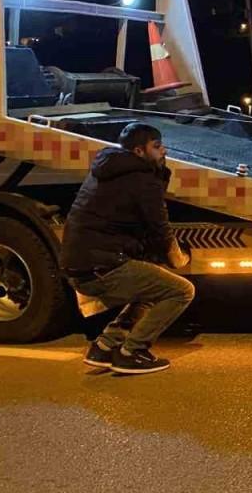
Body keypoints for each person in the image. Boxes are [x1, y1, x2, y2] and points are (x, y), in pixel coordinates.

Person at [60, 123, 194, 375]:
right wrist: (177, 258)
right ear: (139, 151)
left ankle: (104, 347)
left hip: (82, 264)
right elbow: (159, 226)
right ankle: (132, 352)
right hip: (101, 266)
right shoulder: (142, 179)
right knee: (181, 291)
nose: (164, 150)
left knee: (151, 285)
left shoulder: (108, 169)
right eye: (156, 146)